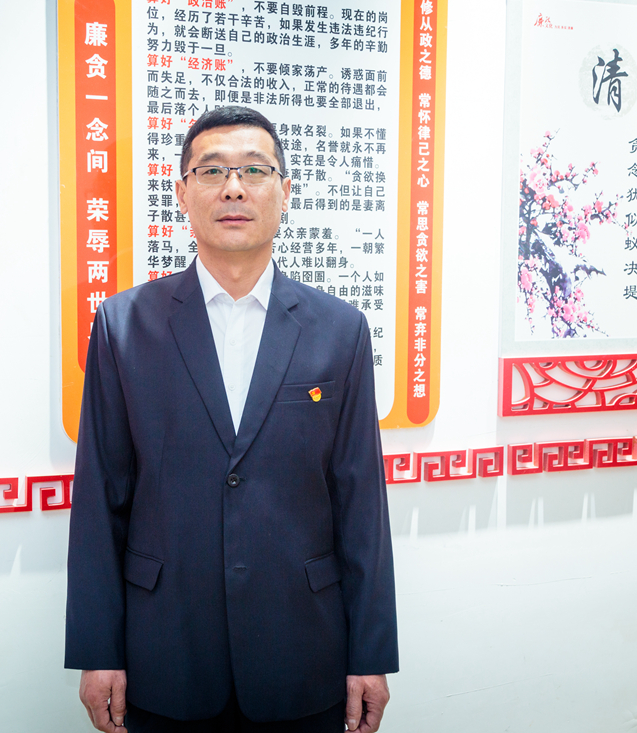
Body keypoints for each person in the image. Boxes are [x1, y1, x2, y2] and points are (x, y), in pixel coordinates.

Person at [65, 106, 398, 733]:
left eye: (255, 170)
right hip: (165, 649)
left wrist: (371, 653)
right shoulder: (123, 326)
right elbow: (100, 500)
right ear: (182, 193)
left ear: (285, 192)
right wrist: (96, 649)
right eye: (212, 171)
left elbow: (361, 502)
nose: (234, 188)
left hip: (306, 650)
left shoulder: (339, 329)